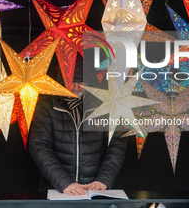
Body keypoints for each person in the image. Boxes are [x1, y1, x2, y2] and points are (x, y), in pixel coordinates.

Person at [28, 54, 128, 196]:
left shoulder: (107, 104)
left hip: (94, 189)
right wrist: (64, 182)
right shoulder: (47, 105)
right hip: (56, 188)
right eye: (71, 81)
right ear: (62, 80)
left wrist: (103, 179)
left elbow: (117, 144)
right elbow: (39, 146)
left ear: (90, 82)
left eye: (81, 82)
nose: (76, 87)